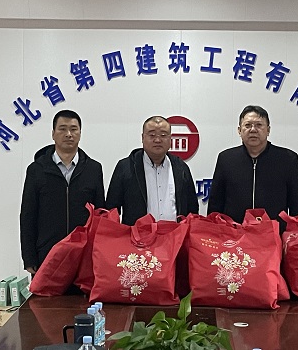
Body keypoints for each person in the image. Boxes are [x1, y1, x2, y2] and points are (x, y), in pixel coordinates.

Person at [20, 109, 105, 275]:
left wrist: (99, 255)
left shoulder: (93, 169)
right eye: (62, 129)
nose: (68, 134)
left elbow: (100, 215)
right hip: (47, 254)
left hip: (83, 257)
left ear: (80, 133)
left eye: (74, 129)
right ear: (53, 134)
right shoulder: (36, 170)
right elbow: (28, 216)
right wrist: (29, 258)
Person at [208, 105, 298, 226]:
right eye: (247, 125)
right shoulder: (226, 159)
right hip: (234, 233)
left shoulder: (287, 159)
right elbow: (215, 204)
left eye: (259, 125)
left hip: (275, 234)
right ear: (239, 130)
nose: (253, 130)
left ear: (268, 130)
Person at [106, 115, 199, 225]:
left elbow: (192, 209)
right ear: (142, 138)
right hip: (136, 234)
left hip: (175, 234)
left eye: (163, 135)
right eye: (152, 135)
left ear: (170, 139)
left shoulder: (181, 168)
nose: (157, 140)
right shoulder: (126, 167)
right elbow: (112, 209)